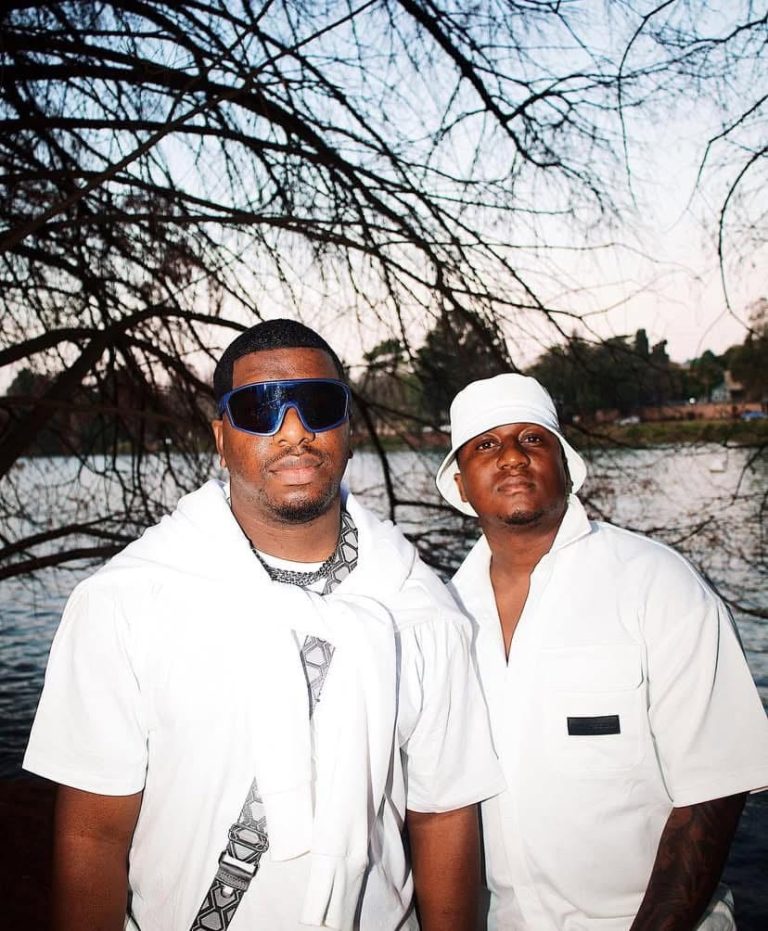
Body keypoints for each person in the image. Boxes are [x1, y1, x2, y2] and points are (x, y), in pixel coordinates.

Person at [24, 319, 503, 931]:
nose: (295, 431)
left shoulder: (420, 609)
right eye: (260, 408)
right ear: (221, 438)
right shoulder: (127, 601)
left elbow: (444, 813)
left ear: (348, 427)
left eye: (319, 405)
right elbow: (94, 833)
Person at [434, 372, 768, 931]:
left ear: (565, 465)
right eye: (486, 444)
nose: (512, 457)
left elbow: (715, 791)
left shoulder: (657, 584)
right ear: (461, 484)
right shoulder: (442, 616)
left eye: (532, 438)